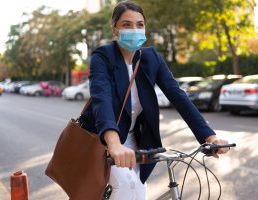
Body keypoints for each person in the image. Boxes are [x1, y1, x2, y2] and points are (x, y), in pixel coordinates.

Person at [79, 1, 230, 199]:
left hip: (134, 138)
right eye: (126, 24)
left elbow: (178, 96)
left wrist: (210, 137)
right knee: (126, 186)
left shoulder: (151, 58)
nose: (134, 29)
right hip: (103, 139)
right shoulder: (103, 56)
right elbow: (101, 98)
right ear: (114, 30)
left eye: (139, 25)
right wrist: (113, 143)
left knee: (139, 192)